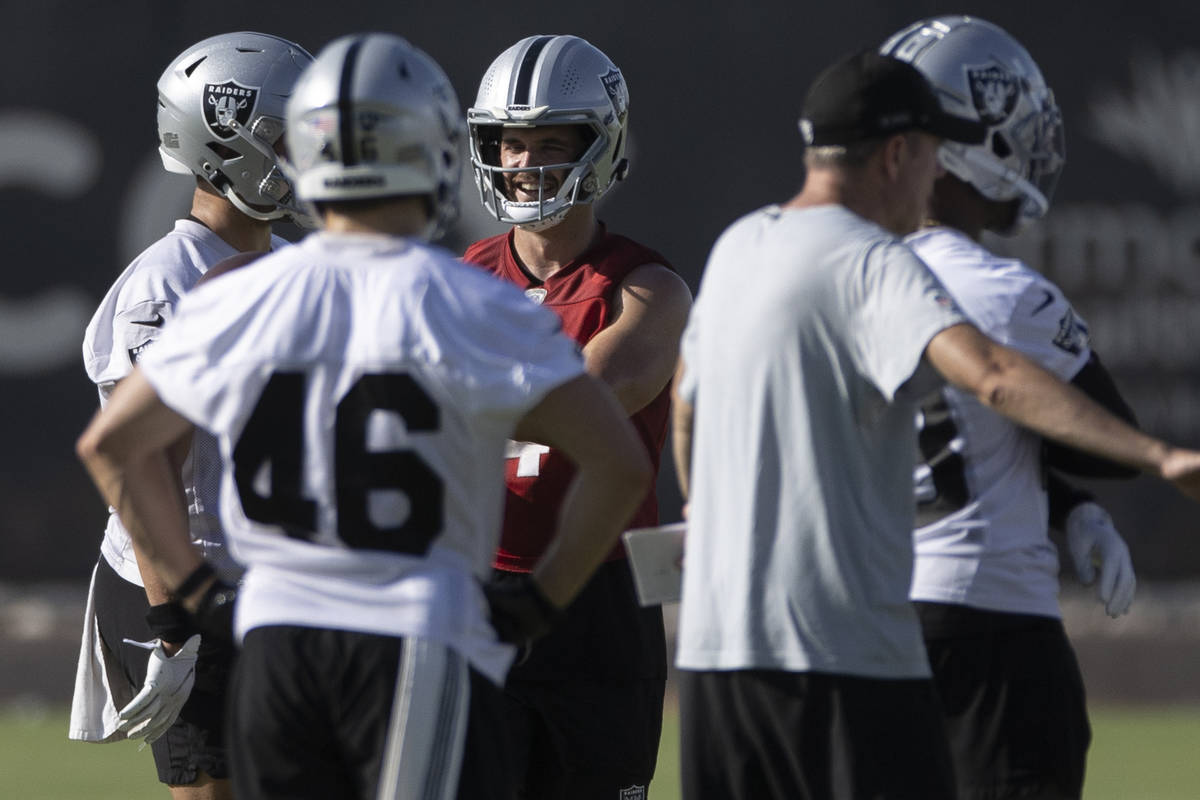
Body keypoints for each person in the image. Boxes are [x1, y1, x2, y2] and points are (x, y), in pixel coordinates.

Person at [75, 32, 652, 800]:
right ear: (433, 152)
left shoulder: (237, 291)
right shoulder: (468, 299)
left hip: (275, 639)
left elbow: (115, 447)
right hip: (415, 633)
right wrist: (541, 598)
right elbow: (620, 463)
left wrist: (195, 598)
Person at [671, 49, 1200, 800]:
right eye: (930, 153)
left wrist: (698, 506)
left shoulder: (739, 245)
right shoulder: (876, 263)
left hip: (717, 653)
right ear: (898, 153)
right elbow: (992, 374)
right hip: (847, 653)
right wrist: (1159, 455)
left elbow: (688, 403)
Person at [881, 16, 1139, 799]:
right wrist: (1086, 495)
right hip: (991, 631)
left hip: (864, 630)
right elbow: (1106, 439)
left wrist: (1065, 509)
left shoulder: (833, 279)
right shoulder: (1004, 293)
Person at [69, 31, 312, 800]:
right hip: (185, 582)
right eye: (287, 136)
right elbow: (142, 469)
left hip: (268, 583)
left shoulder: (291, 270)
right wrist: (172, 616)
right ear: (221, 145)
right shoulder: (164, 289)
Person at [462, 34, 692, 800]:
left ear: (601, 147)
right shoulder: (461, 277)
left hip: (598, 599)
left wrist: (446, 391)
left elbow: (590, 397)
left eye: (550, 143)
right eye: (511, 143)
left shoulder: (648, 287)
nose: (524, 164)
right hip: (474, 590)